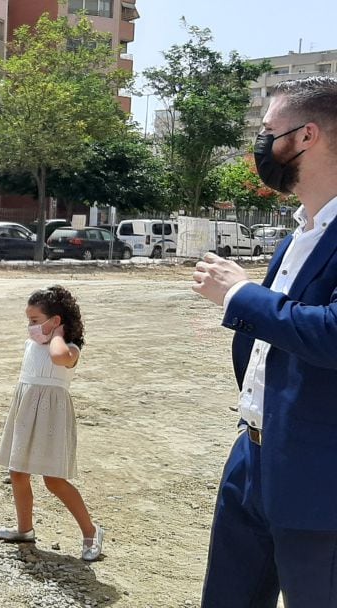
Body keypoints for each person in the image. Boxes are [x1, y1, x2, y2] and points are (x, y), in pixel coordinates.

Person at [192, 76, 337, 606]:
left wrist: (240, 296)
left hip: (320, 477)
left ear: (306, 137)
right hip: (252, 454)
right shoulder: (301, 232)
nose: (260, 145)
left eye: (268, 131)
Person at [0, 286, 103, 561]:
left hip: (52, 414)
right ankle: (24, 529)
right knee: (18, 472)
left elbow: (58, 357)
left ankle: (91, 531)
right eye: (28, 321)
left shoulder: (70, 349)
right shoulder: (32, 344)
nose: (30, 327)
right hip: (26, 409)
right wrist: (44, 332)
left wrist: (58, 335)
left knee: (53, 480)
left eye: (35, 321)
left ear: (55, 321)